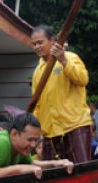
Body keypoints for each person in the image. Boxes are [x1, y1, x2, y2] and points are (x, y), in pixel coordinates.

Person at [31, 25, 93, 163]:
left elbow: (83, 79)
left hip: (74, 125)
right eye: (34, 44)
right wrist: (36, 127)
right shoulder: (37, 71)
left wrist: (63, 61)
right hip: (50, 132)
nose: (37, 47)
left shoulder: (70, 57)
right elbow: (37, 104)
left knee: (79, 170)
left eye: (40, 42)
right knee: (53, 174)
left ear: (52, 41)